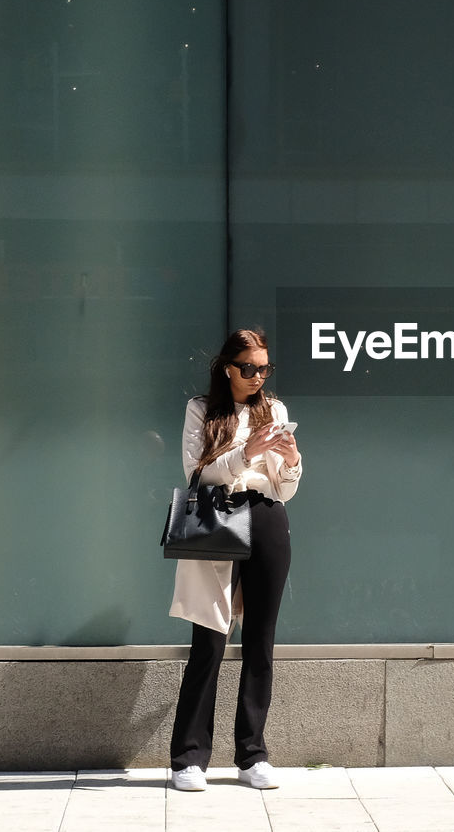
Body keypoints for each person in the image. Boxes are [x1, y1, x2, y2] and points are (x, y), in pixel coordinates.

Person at [167, 328, 302, 792]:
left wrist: (291, 460)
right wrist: (248, 452)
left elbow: (284, 488)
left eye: (264, 368)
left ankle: (252, 754)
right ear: (227, 367)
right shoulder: (201, 410)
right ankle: (188, 758)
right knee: (208, 641)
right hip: (218, 519)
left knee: (260, 642)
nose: (257, 376)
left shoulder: (275, 410)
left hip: (267, 517)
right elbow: (197, 474)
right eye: (248, 368)